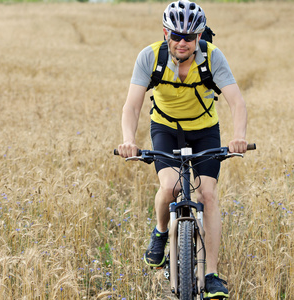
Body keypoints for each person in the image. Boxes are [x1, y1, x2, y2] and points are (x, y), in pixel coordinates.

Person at [117, 0, 248, 298]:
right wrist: (128, 140)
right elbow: (133, 105)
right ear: (166, 33)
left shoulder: (213, 58)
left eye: (189, 37)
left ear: (199, 37)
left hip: (204, 130)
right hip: (165, 128)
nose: (182, 42)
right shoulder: (149, 57)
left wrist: (239, 136)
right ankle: (161, 233)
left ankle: (212, 274)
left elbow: (237, 102)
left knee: (208, 195)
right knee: (170, 186)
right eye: (176, 35)